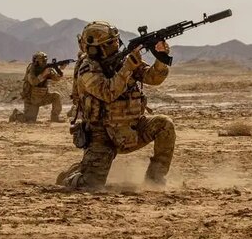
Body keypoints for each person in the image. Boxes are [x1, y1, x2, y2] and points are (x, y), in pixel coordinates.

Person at [57, 21, 175, 189]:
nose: (116, 46)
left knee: (164, 125)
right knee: (91, 185)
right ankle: (71, 175)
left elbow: (153, 78)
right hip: (102, 136)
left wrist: (161, 58)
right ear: (95, 49)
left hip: (131, 129)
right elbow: (107, 92)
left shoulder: (122, 61)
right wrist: (127, 69)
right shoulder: (87, 68)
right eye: (110, 43)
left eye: (116, 41)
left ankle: (155, 180)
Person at [9, 51, 64, 123]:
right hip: (32, 100)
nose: (44, 62)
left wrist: (59, 69)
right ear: (36, 61)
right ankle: (16, 114)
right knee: (29, 121)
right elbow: (33, 82)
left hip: (43, 97)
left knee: (56, 96)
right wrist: (43, 74)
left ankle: (55, 117)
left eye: (45, 60)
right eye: (42, 61)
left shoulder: (46, 68)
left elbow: (57, 79)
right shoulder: (31, 68)